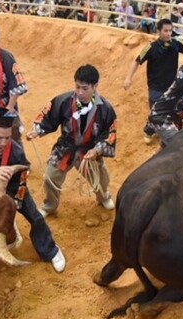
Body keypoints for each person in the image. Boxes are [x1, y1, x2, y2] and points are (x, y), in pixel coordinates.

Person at [0, 109, 66, 272]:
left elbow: (20, 186)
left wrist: (9, 206)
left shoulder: (16, 153)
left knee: (35, 217)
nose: (3, 143)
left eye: (7, 138)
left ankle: (51, 251)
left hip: (11, 185)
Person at [26, 64, 117, 217]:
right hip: (65, 147)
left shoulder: (105, 108)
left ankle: (104, 197)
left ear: (95, 86)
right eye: (77, 87)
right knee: (50, 178)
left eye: (85, 88)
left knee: (100, 180)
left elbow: (109, 133)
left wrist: (96, 150)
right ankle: (50, 206)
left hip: (89, 150)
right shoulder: (64, 101)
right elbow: (48, 117)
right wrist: (36, 131)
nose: (80, 92)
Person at [123, 18, 183, 144]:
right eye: (165, 31)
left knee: (170, 109)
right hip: (155, 88)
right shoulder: (150, 47)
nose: (168, 33)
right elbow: (137, 61)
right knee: (157, 111)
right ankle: (149, 130)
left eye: (170, 31)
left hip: (172, 86)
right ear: (158, 31)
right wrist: (128, 78)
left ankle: (163, 128)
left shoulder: (176, 44)